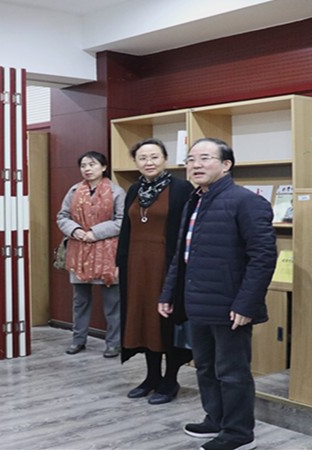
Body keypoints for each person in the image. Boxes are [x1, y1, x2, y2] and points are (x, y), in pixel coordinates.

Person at [159, 137, 277, 450]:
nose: (196, 165)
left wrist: (247, 304)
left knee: (232, 372)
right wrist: (169, 293)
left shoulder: (246, 201)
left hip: (231, 306)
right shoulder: (194, 201)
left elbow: (263, 257)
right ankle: (216, 419)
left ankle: (239, 434)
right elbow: (183, 255)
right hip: (197, 301)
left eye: (205, 158)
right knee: (206, 367)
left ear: (226, 165)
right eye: (191, 159)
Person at [116, 138, 194, 405]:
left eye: (154, 157)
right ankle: (151, 377)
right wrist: (119, 263)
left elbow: (186, 231)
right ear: (135, 162)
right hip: (136, 265)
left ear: (165, 159)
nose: (148, 162)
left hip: (166, 264)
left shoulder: (181, 188)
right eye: (142, 158)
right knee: (143, 319)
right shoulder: (134, 189)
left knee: (166, 319)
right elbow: (125, 230)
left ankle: (170, 379)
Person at [57, 151, 125, 358]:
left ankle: (114, 343)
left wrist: (95, 232)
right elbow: (62, 216)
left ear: (103, 167)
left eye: (92, 164)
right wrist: (76, 230)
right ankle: (78, 340)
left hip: (108, 252)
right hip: (79, 250)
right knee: (80, 301)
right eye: (83, 165)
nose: (87, 169)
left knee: (113, 302)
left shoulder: (116, 191)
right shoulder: (74, 190)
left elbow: (122, 220)